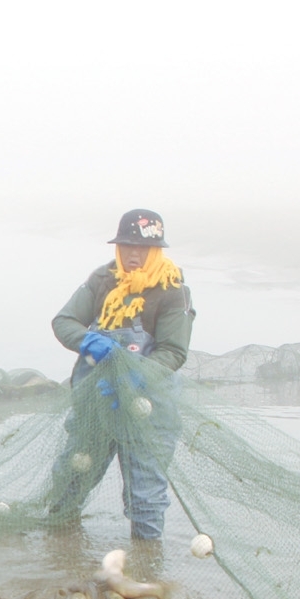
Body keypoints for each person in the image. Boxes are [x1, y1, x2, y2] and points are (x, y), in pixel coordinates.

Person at [48, 209, 195, 541]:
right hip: (96, 402)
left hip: (148, 409)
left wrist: (137, 376)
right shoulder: (103, 280)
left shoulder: (173, 291)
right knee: (71, 478)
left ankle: (146, 566)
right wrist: (87, 340)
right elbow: (64, 320)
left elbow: (173, 351)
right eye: (127, 246)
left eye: (142, 248)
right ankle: (59, 549)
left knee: (145, 496)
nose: (133, 254)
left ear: (156, 250)